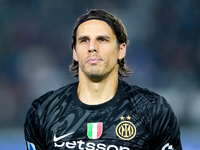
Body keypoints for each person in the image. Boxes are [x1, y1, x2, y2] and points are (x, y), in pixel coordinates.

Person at [24, 9, 182, 150]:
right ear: (74, 52)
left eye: (102, 39)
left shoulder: (153, 110)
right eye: (84, 40)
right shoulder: (42, 111)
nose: (92, 47)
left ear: (121, 50)